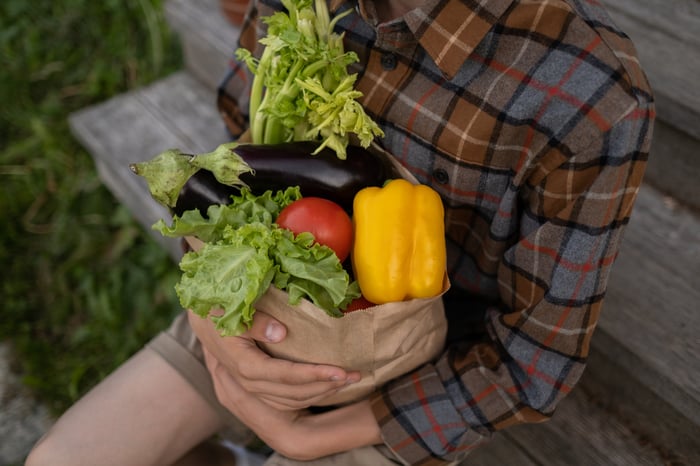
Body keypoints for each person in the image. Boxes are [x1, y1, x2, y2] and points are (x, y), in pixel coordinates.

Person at [26, 0, 655, 464]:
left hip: (415, 373)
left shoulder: (590, 93)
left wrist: (307, 436)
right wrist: (217, 328)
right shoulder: (306, 7)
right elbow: (233, 180)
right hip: (259, 309)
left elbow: (532, 364)